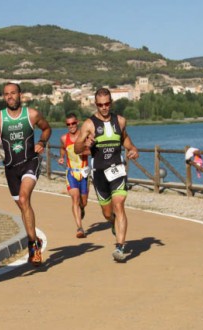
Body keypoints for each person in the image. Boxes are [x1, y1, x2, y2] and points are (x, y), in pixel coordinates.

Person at [0, 82, 52, 266]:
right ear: (4, 97)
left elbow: (47, 128)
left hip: (30, 162)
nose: (10, 97)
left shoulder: (31, 115)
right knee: (23, 206)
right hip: (11, 168)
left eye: (13, 93)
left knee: (24, 199)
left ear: (20, 95)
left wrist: (42, 142)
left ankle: (32, 246)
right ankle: (34, 239)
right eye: (6, 94)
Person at [74, 88, 139, 262]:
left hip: (117, 169)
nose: (104, 107)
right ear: (96, 105)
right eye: (100, 105)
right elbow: (76, 148)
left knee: (119, 206)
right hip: (99, 173)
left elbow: (124, 138)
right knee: (108, 213)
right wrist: (86, 144)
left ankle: (120, 247)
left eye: (107, 104)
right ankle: (112, 223)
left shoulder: (120, 121)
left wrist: (132, 149)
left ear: (111, 103)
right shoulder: (89, 124)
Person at [58, 113, 90, 238]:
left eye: (73, 123)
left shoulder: (84, 137)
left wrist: (84, 151)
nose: (71, 126)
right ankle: (79, 228)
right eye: (68, 124)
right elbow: (62, 148)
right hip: (71, 172)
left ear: (77, 122)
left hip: (84, 172)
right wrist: (61, 157)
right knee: (75, 197)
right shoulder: (63, 138)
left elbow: (92, 151)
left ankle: (82, 208)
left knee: (84, 201)